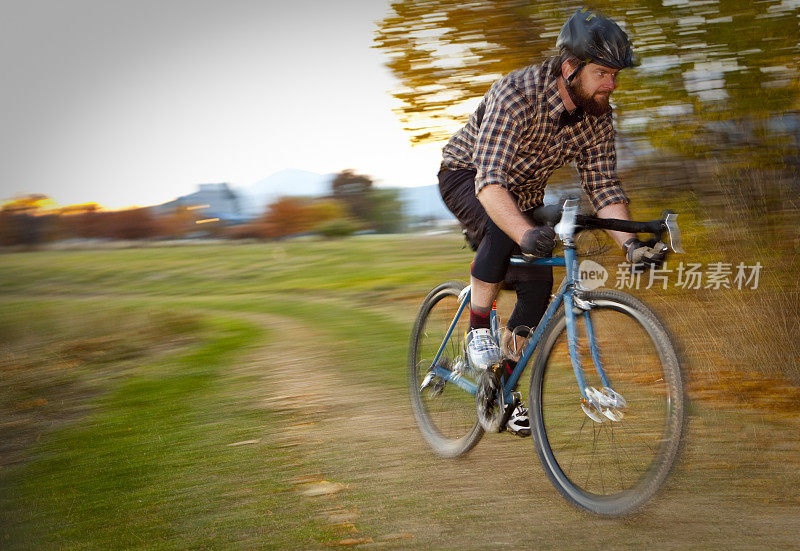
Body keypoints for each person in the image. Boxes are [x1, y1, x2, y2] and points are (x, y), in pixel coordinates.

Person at [437, 8, 667, 436]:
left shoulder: (596, 116)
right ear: (570, 68)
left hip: (521, 194)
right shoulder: (516, 94)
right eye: (603, 73)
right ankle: (477, 330)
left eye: (615, 76)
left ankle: (500, 386)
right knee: (503, 233)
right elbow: (489, 184)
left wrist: (631, 245)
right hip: (468, 176)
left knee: (537, 284)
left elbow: (605, 189)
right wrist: (524, 231)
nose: (611, 85)